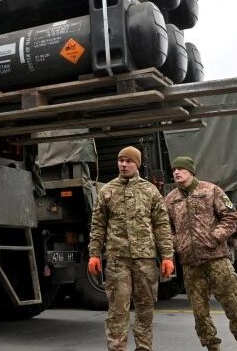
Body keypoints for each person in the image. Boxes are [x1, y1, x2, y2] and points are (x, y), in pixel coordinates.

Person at [87, 146, 175, 351]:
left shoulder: (150, 190)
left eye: (129, 161)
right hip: (118, 260)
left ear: (137, 164)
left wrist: (167, 256)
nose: (124, 164)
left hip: (145, 260)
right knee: (117, 311)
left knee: (145, 310)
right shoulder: (107, 190)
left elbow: (162, 225)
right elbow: (98, 225)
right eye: (121, 160)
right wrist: (94, 254)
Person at [164, 156, 237, 351]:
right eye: (174, 170)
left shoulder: (211, 190)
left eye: (181, 169)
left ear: (191, 171)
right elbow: (165, 228)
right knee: (200, 313)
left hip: (217, 261)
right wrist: (177, 242)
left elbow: (230, 218)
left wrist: (214, 237)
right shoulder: (171, 199)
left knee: (233, 306)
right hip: (190, 264)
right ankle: (212, 347)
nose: (177, 172)